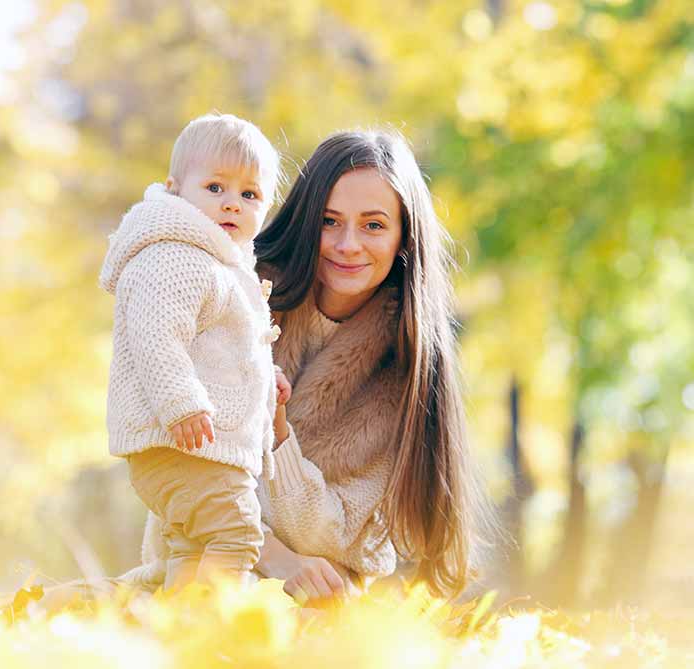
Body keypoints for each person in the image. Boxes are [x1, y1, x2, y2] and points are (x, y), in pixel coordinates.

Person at [134, 127, 495, 605]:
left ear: (404, 236)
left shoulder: (407, 370)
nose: (347, 245)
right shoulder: (233, 296)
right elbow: (185, 471)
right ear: (306, 221)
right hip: (197, 566)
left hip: (319, 599)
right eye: (329, 221)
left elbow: (340, 533)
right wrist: (275, 555)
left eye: (373, 225)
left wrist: (278, 434)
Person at [97, 112, 288, 591]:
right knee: (238, 534)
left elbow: (221, 349)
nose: (232, 204)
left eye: (249, 194)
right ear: (177, 188)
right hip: (181, 440)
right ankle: (211, 639)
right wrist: (180, 402)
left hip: (197, 446)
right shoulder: (175, 255)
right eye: (216, 187)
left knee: (194, 548)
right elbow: (155, 335)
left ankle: (182, 633)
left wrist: (269, 379)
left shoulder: (220, 263)